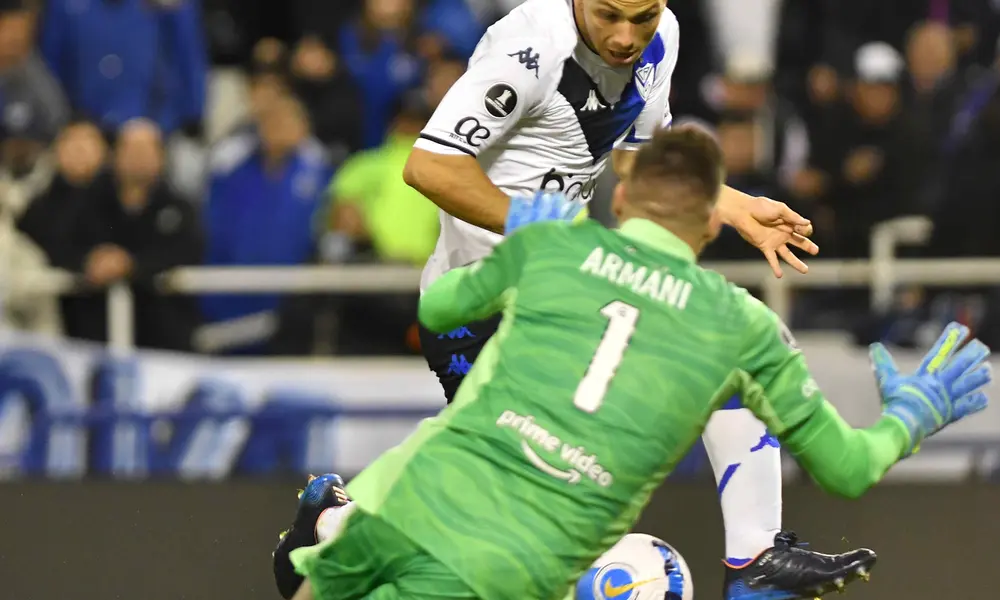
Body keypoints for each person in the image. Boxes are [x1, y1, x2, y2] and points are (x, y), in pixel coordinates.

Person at [273, 1, 847, 599]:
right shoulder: (529, 47)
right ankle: (338, 524)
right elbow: (430, 165)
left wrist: (732, 205)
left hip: (564, 290)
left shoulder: (662, 35)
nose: (625, 36)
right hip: (481, 302)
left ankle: (756, 559)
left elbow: (636, 156)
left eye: (643, 16)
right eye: (608, 15)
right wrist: (535, 228)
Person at [284, 126, 994, 600]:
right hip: (517, 560)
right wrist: (910, 416)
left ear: (620, 200)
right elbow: (848, 469)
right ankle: (752, 556)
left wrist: (518, 247)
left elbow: (438, 311)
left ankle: (334, 525)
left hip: (417, 497)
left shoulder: (555, 248)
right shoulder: (739, 323)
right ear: (712, 223)